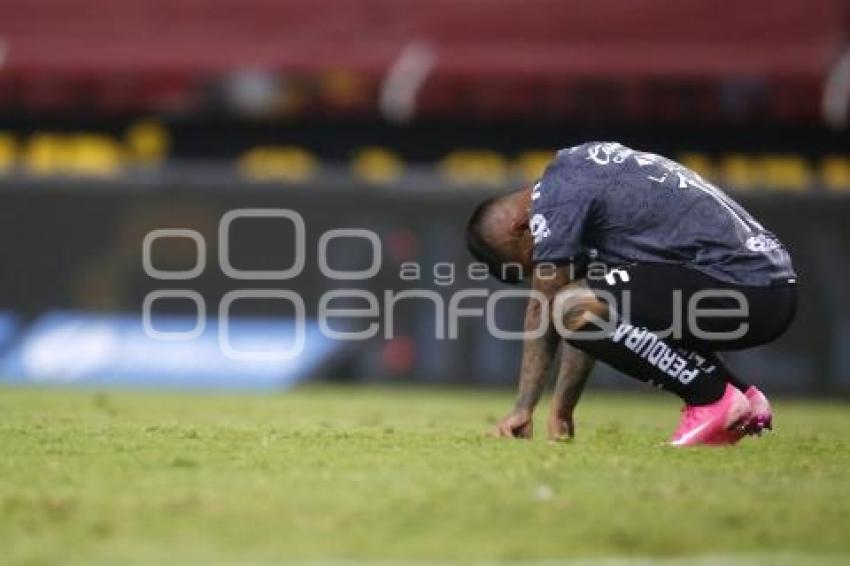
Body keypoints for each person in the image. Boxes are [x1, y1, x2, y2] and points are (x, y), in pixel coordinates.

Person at [466, 142, 797, 446]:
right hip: (766, 286)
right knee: (583, 302)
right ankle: (742, 396)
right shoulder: (581, 172)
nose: (541, 270)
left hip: (744, 287)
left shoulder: (556, 196)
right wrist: (561, 411)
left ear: (519, 227)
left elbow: (547, 306)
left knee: (565, 304)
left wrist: (523, 409)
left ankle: (709, 397)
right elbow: (594, 312)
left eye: (532, 261)